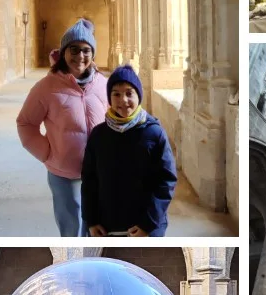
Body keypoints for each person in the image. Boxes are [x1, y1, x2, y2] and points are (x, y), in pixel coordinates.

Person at [17, 18, 109, 237]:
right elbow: (26, 123)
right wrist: (49, 153)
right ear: (64, 52)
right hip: (65, 173)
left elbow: (113, 119)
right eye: (74, 50)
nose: (80, 56)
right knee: (72, 229)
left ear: (92, 53)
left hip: (98, 171)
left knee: (98, 227)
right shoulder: (46, 87)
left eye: (86, 50)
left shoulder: (103, 83)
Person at [82, 65, 178, 237]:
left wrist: (148, 224)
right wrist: (92, 220)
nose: (123, 100)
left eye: (129, 93)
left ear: (138, 96)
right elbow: (89, 180)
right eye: (116, 94)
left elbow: (166, 180)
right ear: (110, 98)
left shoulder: (154, 133)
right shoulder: (99, 135)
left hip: (147, 226)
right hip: (107, 226)